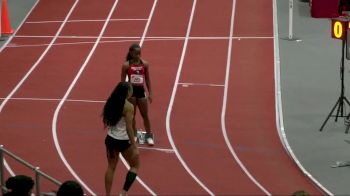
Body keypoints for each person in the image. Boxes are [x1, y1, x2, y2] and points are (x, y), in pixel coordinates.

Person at [102, 82, 140, 196]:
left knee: (111, 167)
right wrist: (134, 146)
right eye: (131, 90)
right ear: (127, 92)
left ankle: (107, 194)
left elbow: (106, 119)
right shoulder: (129, 107)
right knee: (135, 166)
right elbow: (129, 128)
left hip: (110, 138)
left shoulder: (110, 102)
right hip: (123, 141)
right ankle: (123, 193)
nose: (132, 92)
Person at [121, 44, 154, 145]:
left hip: (141, 91)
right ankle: (134, 135)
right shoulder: (126, 65)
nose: (138, 55)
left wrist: (150, 93)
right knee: (132, 115)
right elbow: (122, 82)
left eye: (139, 53)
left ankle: (148, 136)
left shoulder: (144, 64)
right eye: (136, 54)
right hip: (131, 92)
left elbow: (147, 79)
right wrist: (123, 95)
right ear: (131, 53)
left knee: (145, 115)